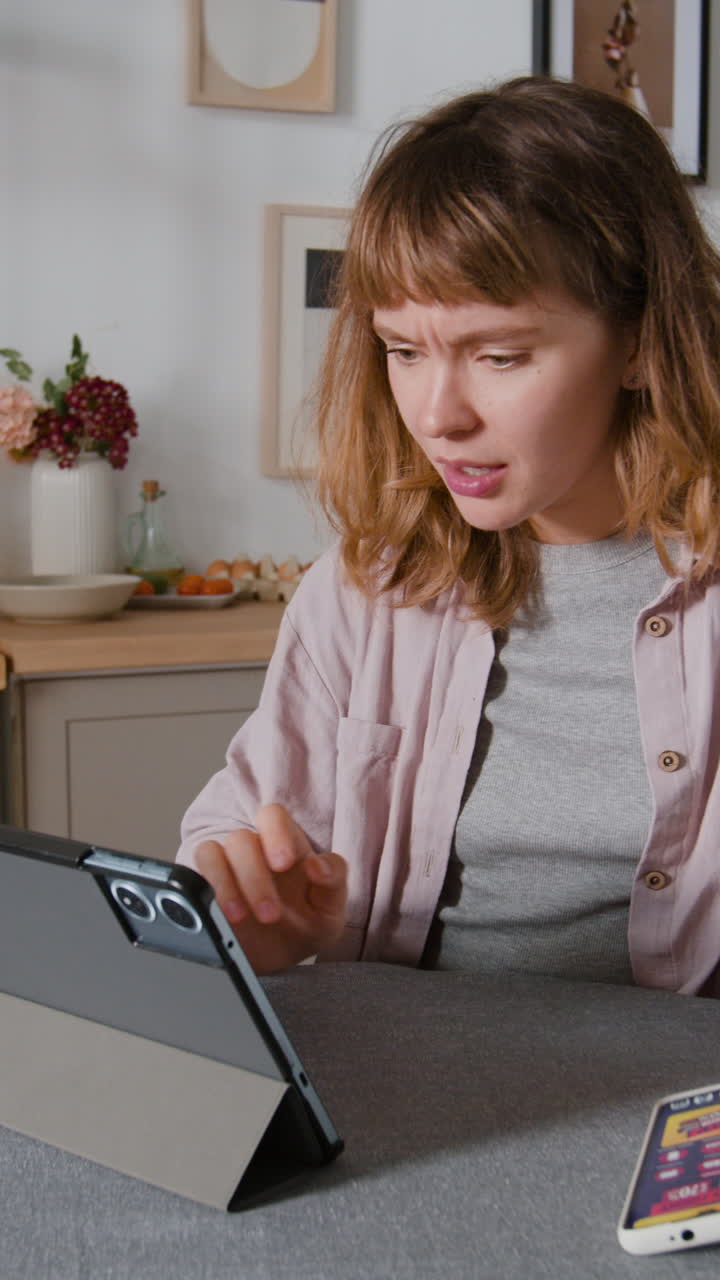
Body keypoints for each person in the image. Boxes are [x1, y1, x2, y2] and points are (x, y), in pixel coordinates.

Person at [177, 76, 720, 994]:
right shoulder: (365, 595)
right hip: (410, 1090)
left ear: (640, 342)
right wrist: (247, 922)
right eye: (403, 349)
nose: (438, 416)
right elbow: (231, 850)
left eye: (500, 356)